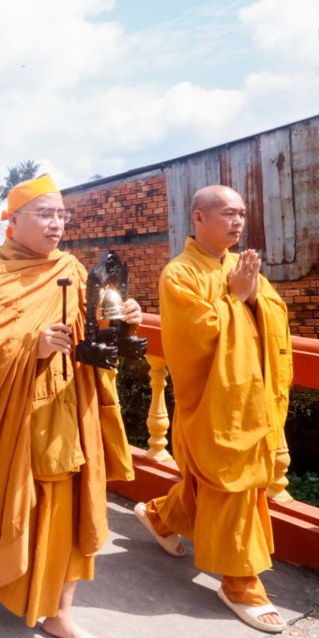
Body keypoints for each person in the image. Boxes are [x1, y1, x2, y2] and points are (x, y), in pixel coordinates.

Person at [0, 174, 140, 637]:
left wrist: (123, 315)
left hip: (67, 403)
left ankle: (60, 610)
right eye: (45, 214)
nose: (56, 223)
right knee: (1, 497)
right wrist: (30, 349)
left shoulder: (73, 268)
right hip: (12, 410)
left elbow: (93, 325)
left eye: (61, 214)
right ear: (13, 222)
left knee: (70, 503)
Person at [133, 185, 292, 634]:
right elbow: (192, 338)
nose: (238, 222)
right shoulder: (178, 274)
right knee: (232, 484)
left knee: (213, 483)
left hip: (249, 398)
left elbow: (276, 319)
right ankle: (241, 583)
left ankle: (162, 516)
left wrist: (254, 296)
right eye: (227, 213)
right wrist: (237, 298)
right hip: (212, 402)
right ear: (199, 218)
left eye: (241, 213)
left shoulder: (240, 268)